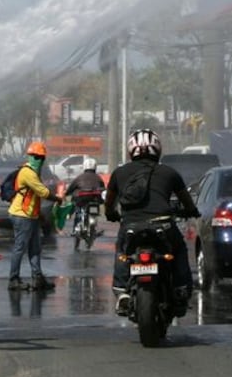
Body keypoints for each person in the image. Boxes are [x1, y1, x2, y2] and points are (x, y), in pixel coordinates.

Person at [104, 129, 200, 317]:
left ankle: (122, 290)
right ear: (158, 149)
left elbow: (109, 203)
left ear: (131, 150)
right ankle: (180, 287)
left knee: (123, 252)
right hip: (163, 225)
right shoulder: (169, 172)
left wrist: (111, 214)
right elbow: (186, 201)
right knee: (179, 249)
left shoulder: (119, 173)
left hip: (130, 227)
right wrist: (191, 211)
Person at [7, 141, 62, 292]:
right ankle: (13, 279)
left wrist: (39, 216)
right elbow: (42, 192)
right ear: (30, 156)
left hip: (30, 215)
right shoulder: (27, 172)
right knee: (20, 247)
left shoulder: (33, 172)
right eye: (36, 157)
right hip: (21, 215)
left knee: (35, 248)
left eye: (41, 158)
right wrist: (57, 198)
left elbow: (35, 198)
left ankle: (38, 278)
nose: (39, 160)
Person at [63, 156, 105, 243]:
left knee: (77, 211)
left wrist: (66, 193)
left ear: (84, 166)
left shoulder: (79, 177)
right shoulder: (98, 178)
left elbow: (70, 188)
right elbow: (103, 189)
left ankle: (75, 228)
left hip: (81, 199)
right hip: (95, 199)